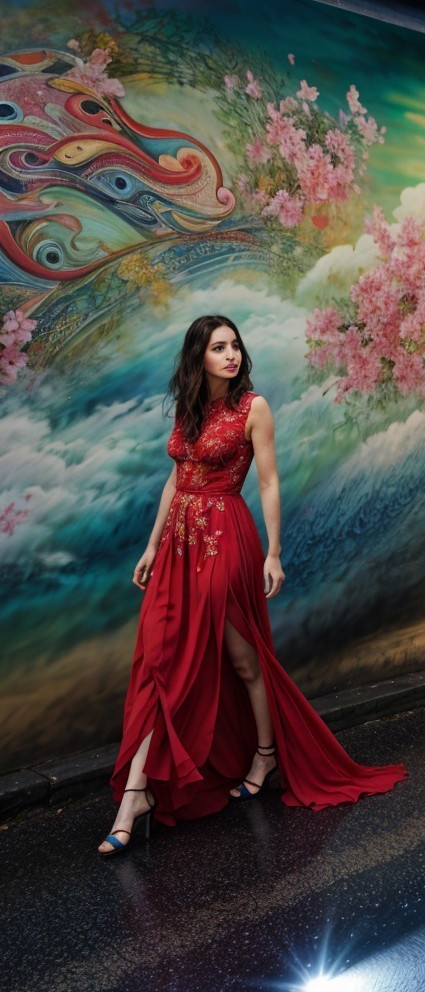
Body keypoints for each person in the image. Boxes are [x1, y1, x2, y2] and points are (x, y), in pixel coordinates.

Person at [99, 313, 406, 856]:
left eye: (235, 346)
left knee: (241, 658)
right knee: (158, 661)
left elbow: (267, 480)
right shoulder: (189, 408)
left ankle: (265, 754)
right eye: (219, 347)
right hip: (177, 544)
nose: (231, 355)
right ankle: (137, 794)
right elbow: (177, 478)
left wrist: (275, 551)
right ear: (199, 357)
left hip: (224, 536)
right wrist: (150, 544)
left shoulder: (253, 408)